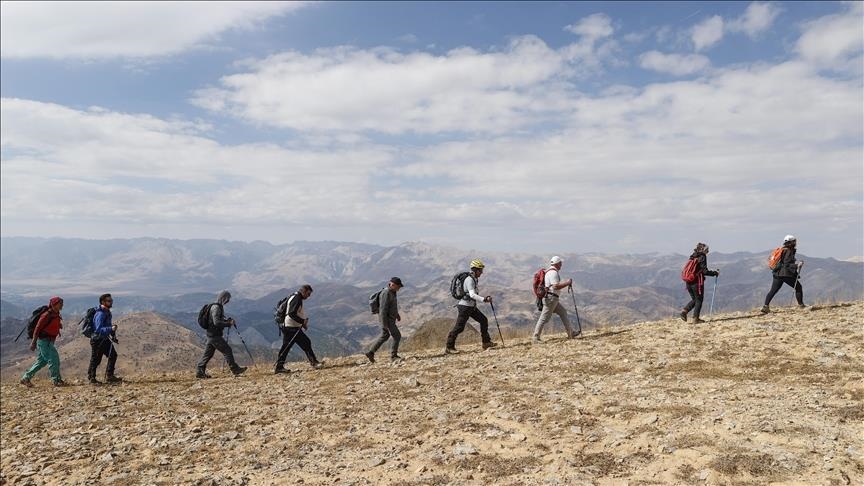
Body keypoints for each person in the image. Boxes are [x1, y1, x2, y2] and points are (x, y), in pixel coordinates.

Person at [445, 260, 497, 353]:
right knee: (459, 327)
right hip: (465, 307)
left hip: (470, 306)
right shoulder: (469, 280)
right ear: (475, 270)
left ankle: (486, 342)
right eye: (480, 270)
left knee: (483, 320)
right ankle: (449, 347)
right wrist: (484, 299)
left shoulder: (473, 279)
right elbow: (472, 295)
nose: (481, 272)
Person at [196, 290, 247, 378]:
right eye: (227, 299)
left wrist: (226, 321)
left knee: (208, 354)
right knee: (227, 350)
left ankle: (200, 372)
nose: (228, 301)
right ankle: (235, 369)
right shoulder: (216, 308)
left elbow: (216, 321)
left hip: (211, 334)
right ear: (224, 298)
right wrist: (228, 324)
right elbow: (216, 322)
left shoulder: (216, 306)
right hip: (214, 335)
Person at [275, 284, 323, 374]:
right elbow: (291, 314)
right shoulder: (297, 298)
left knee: (287, 347)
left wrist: (301, 322)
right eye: (308, 294)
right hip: (291, 327)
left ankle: (279, 367)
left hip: (290, 326)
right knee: (304, 343)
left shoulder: (294, 296)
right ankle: (314, 363)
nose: (308, 297)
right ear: (304, 291)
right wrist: (302, 321)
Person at [20, 296, 67, 387]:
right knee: (54, 359)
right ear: (54, 304)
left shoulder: (56, 313)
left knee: (41, 362)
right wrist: (33, 342)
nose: (62, 305)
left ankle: (26, 378)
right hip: (44, 341)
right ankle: (56, 380)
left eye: (62, 303)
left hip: (49, 341)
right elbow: (37, 329)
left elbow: (53, 324)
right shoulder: (46, 315)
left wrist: (58, 325)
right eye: (60, 303)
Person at [533, 256, 579, 342]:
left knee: (563, 312)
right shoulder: (553, 273)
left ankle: (571, 333)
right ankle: (535, 337)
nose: (561, 265)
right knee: (543, 318)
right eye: (560, 263)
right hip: (551, 299)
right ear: (557, 264)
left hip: (552, 298)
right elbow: (556, 286)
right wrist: (567, 283)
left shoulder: (549, 272)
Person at [365, 277, 405, 363]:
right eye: (398, 287)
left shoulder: (392, 292)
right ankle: (393, 356)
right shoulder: (386, 293)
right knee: (397, 335)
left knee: (385, 335)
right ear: (393, 285)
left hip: (390, 318)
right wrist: (384, 323)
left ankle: (370, 352)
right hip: (387, 320)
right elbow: (383, 309)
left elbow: (391, 306)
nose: (399, 289)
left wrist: (397, 315)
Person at [761, 235, 805, 313]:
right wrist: (797, 265)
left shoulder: (782, 250)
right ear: (791, 242)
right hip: (785, 274)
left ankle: (765, 307)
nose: (795, 243)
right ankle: (801, 306)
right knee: (798, 287)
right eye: (794, 241)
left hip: (777, 273)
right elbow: (786, 264)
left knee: (773, 290)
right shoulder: (788, 251)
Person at [679, 243, 719, 324]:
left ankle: (684, 311)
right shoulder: (702, 256)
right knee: (699, 300)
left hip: (688, 281)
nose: (708, 251)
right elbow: (704, 271)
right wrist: (714, 273)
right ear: (703, 250)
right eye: (707, 250)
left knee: (695, 299)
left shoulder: (693, 256)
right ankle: (695, 319)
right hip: (696, 282)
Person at [88, 293, 123, 385]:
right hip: (98, 340)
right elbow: (98, 329)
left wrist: (111, 331)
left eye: (111, 300)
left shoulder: (107, 312)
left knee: (113, 355)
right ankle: (92, 378)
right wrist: (110, 329)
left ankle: (109, 376)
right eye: (109, 301)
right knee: (96, 359)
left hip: (104, 339)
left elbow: (105, 326)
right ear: (103, 302)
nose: (111, 302)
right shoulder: (100, 313)